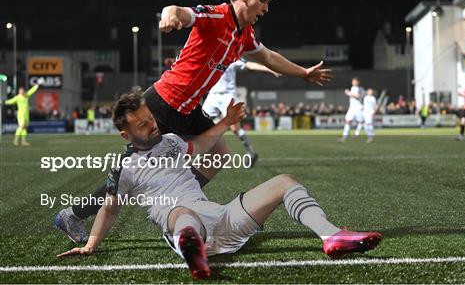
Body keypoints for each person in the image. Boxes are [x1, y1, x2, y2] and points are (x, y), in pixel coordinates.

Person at [54, 0, 332, 243]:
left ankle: (178, 200)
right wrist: (168, 16)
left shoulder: (244, 36)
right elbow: (179, 12)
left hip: (187, 110)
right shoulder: (217, 16)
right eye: (263, 0)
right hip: (160, 104)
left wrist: (304, 73)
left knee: (220, 153)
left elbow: (270, 57)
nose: (266, 9)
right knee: (128, 178)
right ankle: (72, 215)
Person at [56, 88, 382, 279]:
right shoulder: (123, 166)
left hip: (221, 220)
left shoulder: (169, 140)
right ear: (126, 134)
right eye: (142, 125)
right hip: (182, 224)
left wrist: (225, 122)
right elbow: (110, 209)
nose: (152, 126)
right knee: (182, 212)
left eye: (151, 119)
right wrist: (91, 245)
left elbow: (199, 147)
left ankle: (331, 236)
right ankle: (192, 251)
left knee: (284, 182)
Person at [202, 58, 280, 166]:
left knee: (235, 129)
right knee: (200, 124)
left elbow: (250, 65)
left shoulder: (231, 58)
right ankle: (200, 154)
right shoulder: (210, 56)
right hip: (212, 96)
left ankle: (252, 153)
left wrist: (269, 68)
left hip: (227, 96)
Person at [3, 81, 40, 146]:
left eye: (22, 90)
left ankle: (23, 141)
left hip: (26, 114)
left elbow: (32, 90)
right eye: (20, 90)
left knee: (24, 127)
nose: (21, 91)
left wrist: (37, 85)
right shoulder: (18, 97)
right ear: (19, 92)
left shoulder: (26, 95)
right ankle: (15, 140)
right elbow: (10, 101)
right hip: (21, 114)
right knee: (21, 125)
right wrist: (3, 102)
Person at [339, 77, 364, 142]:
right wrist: (349, 93)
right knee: (347, 121)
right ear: (352, 82)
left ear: (358, 82)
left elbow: (358, 96)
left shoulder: (360, 88)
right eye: (353, 81)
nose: (354, 82)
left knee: (360, 122)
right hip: (352, 108)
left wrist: (348, 93)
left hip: (358, 107)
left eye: (356, 81)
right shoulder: (351, 88)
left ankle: (356, 134)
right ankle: (344, 137)